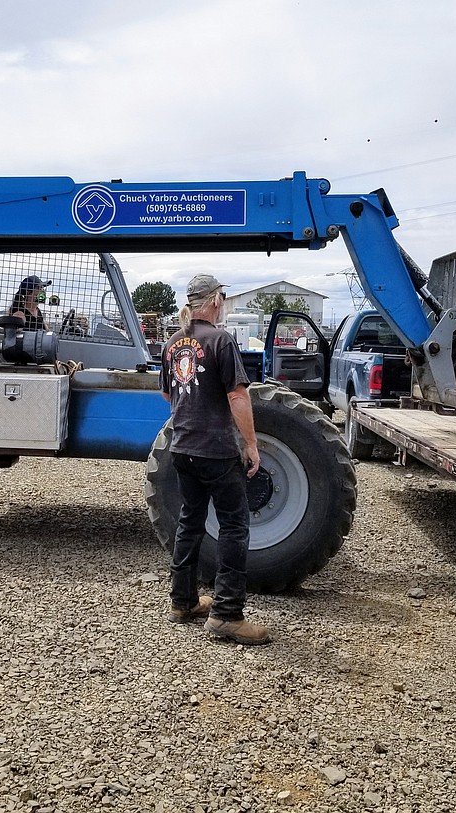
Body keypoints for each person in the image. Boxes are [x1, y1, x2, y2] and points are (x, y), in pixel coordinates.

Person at [160, 274, 270, 645]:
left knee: (190, 521)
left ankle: (183, 601)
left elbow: (167, 394)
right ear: (217, 301)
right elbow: (238, 397)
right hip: (216, 451)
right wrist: (251, 444)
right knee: (234, 527)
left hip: (182, 447)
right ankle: (226, 614)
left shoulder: (173, 343)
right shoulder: (221, 340)